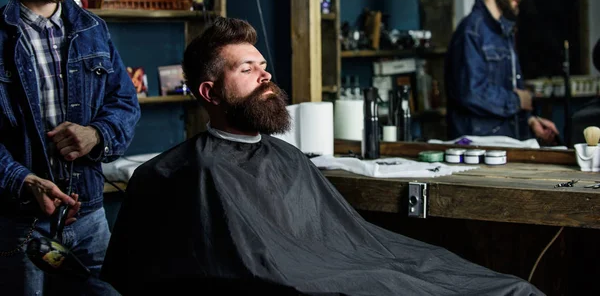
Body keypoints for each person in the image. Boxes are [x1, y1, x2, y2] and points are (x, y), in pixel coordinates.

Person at [100, 17, 541, 295]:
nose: (265, 75)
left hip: (352, 266)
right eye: (246, 69)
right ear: (209, 92)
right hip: (314, 281)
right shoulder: (182, 173)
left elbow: (347, 240)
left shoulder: (287, 158)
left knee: (506, 287)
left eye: (263, 65)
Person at [0, 0, 140, 295]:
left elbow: (125, 105)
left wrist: (96, 134)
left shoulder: (94, 30)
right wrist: (24, 180)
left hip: (89, 214)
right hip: (19, 221)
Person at [445, 0, 559, 144]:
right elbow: (471, 93)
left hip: (505, 144)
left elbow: (509, 87)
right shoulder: (471, 32)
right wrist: (517, 101)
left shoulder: (504, 31)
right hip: (479, 149)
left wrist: (530, 120)